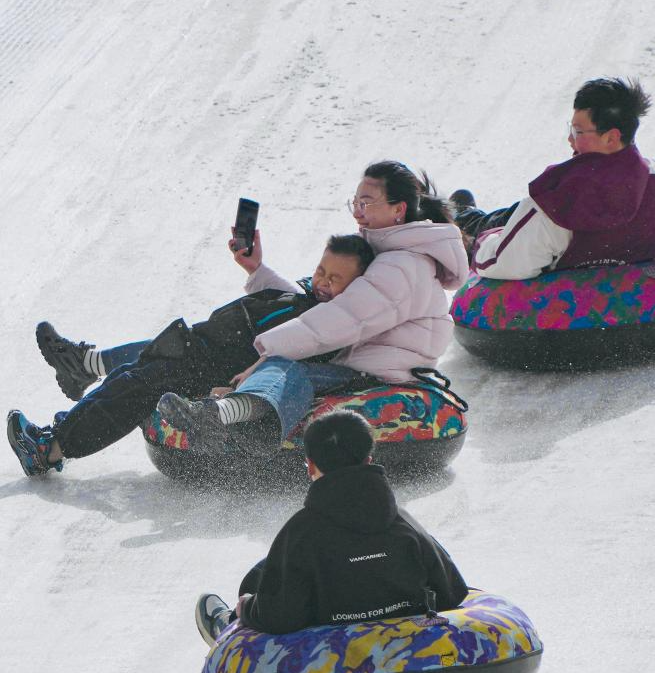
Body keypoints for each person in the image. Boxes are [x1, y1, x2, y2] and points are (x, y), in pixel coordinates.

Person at [157, 160, 469, 449]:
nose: (358, 212)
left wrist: (264, 353)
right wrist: (258, 272)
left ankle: (225, 417)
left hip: (382, 375)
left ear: (398, 209)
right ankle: (216, 407)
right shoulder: (386, 254)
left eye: (366, 203)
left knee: (283, 367)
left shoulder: (401, 266)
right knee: (267, 357)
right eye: (355, 202)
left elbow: (338, 319)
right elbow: (316, 303)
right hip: (357, 364)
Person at [6, 234, 374, 476]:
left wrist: (240, 384)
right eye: (321, 271)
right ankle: (65, 419)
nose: (323, 282)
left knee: (135, 386)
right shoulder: (312, 298)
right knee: (129, 378)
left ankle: (49, 450)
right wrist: (256, 268)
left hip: (211, 368)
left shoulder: (334, 324)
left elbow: (292, 359)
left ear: (357, 289)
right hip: (200, 348)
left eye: (335, 279)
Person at [195, 410, 468, 640]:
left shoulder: (301, 532)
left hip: (329, 644)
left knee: (263, 574)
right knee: (268, 566)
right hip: (407, 633)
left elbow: (280, 617)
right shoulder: (405, 523)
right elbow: (452, 591)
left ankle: (228, 620)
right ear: (369, 460)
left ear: (311, 466)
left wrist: (248, 608)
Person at [452, 77, 654, 279]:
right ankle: (466, 215)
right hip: (630, 300)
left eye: (578, 131)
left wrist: (485, 240)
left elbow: (504, 263)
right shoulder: (649, 184)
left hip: (566, 302)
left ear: (611, 137)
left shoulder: (560, 203)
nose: (570, 139)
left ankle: (459, 220)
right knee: (515, 215)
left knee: (500, 227)